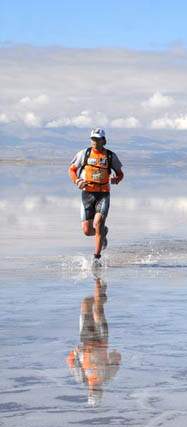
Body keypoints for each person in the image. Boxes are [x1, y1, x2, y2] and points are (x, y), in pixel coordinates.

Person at [69, 129, 124, 261]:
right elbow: (72, 170)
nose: (95, 141)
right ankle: (103, 233)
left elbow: (120, 173)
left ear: (104, 141)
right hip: (87, 194)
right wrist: (77, 181)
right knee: (87, 231)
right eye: (93, 139)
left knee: (98, 222)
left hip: (103, 194)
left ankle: (96, 258)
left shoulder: (110, 156)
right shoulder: (84, 154)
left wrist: (117, 179)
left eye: (98, 139)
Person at [67, 278, 121, 406]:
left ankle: (100, 295)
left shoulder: (82, 378)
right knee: (97, 310)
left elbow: (70, 360)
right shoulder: (107, 376)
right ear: (102, 391)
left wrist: (75, 352)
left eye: (93, 392)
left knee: (86, 303)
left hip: (86, 339)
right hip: (102, 339)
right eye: (97, 392)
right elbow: (117, 358)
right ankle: (97, 278)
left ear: (89, 392)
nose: (95, 389)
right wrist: (114, 356)